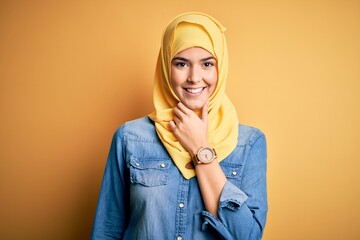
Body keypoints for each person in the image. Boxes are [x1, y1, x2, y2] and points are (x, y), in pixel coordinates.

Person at [91, 12, 268, 240]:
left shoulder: (249, 143)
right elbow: (107, 231)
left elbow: (248, 236)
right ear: (165, 67)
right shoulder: (130, 138)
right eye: (181, 63)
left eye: (207, 64)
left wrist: (200, 148)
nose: (194, 77)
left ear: (220, 67)